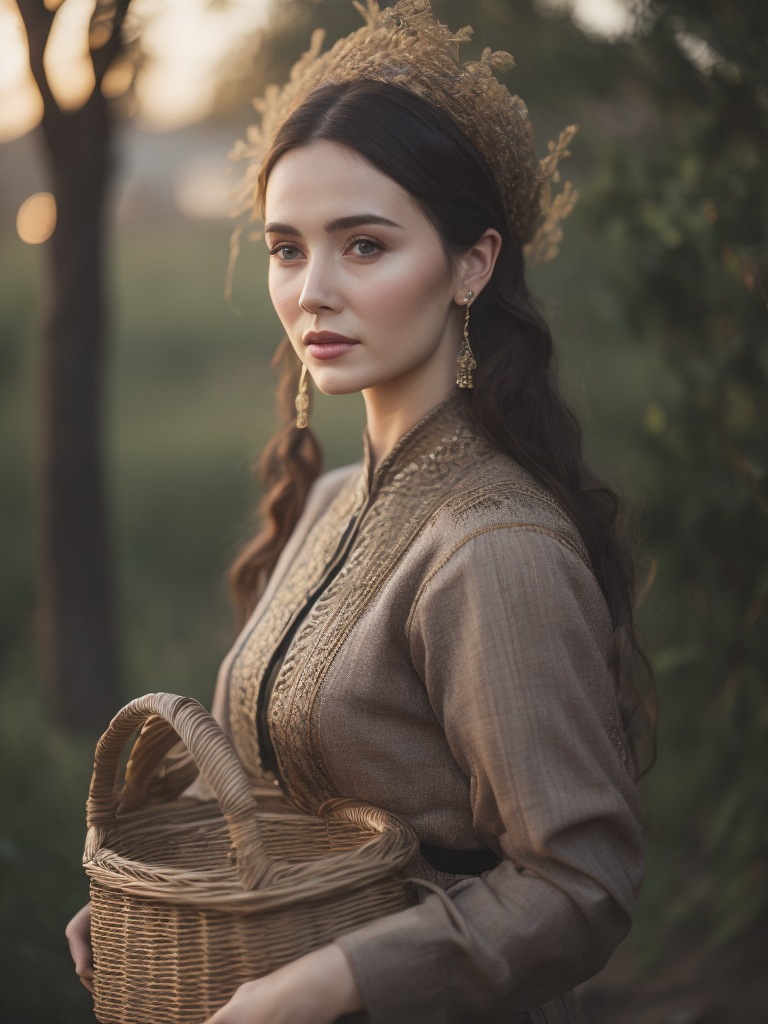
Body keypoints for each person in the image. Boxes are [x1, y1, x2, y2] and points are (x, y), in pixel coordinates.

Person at [67, 2, 657, 1021]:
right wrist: (151, 893)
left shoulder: (495, 549)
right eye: (286, 248)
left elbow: (582, 884)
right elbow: (281, 780)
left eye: (366, 245)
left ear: (473, 263)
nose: (312, 293)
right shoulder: (334, 501)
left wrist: (332, 982)